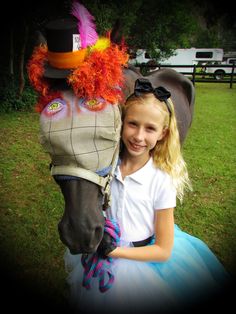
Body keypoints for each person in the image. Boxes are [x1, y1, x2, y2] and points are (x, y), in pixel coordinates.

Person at [64, 78, 231, 314]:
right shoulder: (105, 166)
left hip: (138, 263)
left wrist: (113, 251)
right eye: (132, 124)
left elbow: (163, 250)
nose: (139, 136)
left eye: (150, 128)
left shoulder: (161, 180)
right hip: (100, 252)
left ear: (163, 133)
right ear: (122, 122)